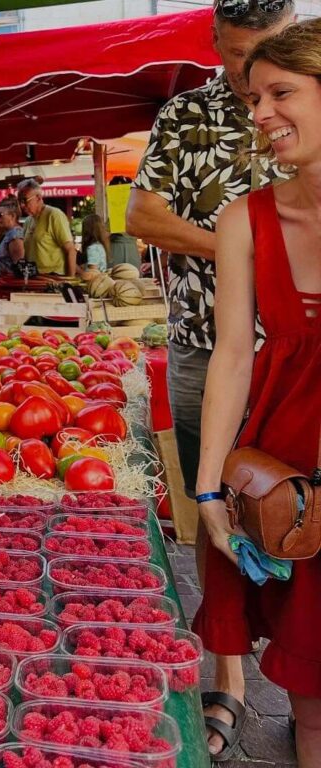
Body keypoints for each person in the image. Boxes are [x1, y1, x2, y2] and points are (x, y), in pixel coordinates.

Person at [125, 1, 295, 756]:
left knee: (300, 513)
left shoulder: (307, 103)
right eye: (232, 54)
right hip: (206, 345)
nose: (244, 71)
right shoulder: (186, 116)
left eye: (262, 54)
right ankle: (228, 673)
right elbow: (141, 215)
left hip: (301, 352)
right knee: (213, 507)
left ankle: (300, 675)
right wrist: (238, 249)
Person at [194, 20, 321, 764]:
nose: (262, 112)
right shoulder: (246, 218)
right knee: (312, 705)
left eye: (281, 93)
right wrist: (208, 488)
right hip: (290, 480)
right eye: (254, 98)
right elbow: (233, 354)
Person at [17, 179, 77, 276]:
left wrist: (69, 281)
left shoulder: (54, 215)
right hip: (34, 279)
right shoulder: (28, 221)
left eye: (24, 200)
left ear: (38, 198)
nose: (22, 205)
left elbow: (70, 250)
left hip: (54, 278)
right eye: (19, 201)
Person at [0, 196, 26, 279]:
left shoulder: (15, 236)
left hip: (10, 288)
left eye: (0, 215)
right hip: (2, 287)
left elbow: (19, 269)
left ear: (12, 216)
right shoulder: (9, 234)